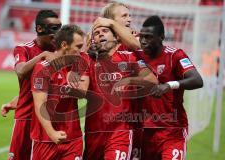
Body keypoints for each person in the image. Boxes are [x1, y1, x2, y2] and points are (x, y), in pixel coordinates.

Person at [82, 25, 158, 160]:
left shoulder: (129, 58)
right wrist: (83, 52)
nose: (100, 34)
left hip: (120, 131)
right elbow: (80, 90)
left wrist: (129, 80)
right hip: (93, 132)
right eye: (96, 33)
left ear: (116, 37)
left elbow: (152, 81)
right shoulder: (89, 60)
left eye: (105, 31)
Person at [138, 15, 203, 160]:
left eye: (148, 37)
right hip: (144, 132)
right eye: (141, 37)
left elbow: (197, 80)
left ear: (161, 36)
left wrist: (169, 85)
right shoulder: (137, 57)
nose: (143, 41)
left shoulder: (175, 55)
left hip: (172, 131)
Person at [2, 10, 61, 160]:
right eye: (54, 28)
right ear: (40, 29)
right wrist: (42, 56)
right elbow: (21, 71)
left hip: (49, 120)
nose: (58, 32)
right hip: (26, 118)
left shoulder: (60, 53)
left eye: (60, 27)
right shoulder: (24, 49)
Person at [30, 24, 86, 160]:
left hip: (73, 139)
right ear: (64, 45)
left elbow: (84, 93)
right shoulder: (42, 69)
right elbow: (40, 104)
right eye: (78, 47)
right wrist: (52, 133)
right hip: (45, 139)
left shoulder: (78, 66)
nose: (81, 51)